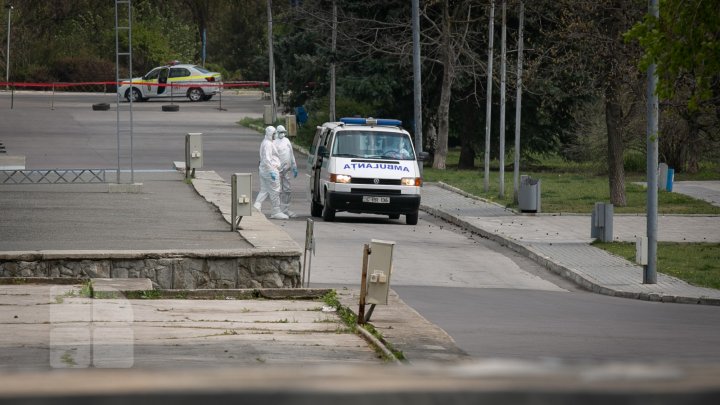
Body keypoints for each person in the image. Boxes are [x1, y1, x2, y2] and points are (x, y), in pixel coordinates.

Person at [253, 126, 288, 219]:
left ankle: (256, 206)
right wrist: (272, 171)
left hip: (264, 170)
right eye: (273, 134)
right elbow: (267, 159)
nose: (275, 135)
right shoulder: (268, 144)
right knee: (275, 190)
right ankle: (276, 211)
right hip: (270, 170)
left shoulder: (266, 142)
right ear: (269, 134)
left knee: (264, 190)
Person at [273, 125, 298, 218]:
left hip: (286, 170)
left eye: (284, 132)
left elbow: (291, 154)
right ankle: (277, 210)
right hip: (277, 170)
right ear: (277, 132)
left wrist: (294, 166)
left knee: (287, 190)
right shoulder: (274, 142)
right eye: (281, 132)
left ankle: (286, 209)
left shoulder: (287, 141)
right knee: (277, 190)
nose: (282, 134)